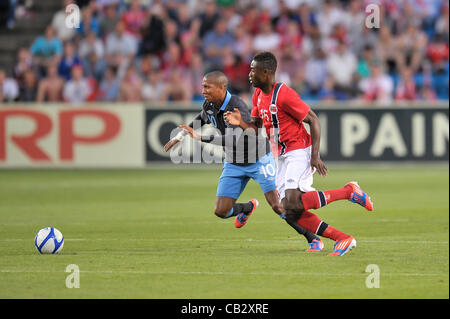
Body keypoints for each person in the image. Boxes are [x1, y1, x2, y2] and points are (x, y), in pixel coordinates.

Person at [224, 51, 374, 256]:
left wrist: (315, 155)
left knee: (293, 202)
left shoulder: (284, 94)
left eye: (253, 70)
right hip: (280, 155)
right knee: (286, 210)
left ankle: (348, 194)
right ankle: (342, 236)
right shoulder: (258, 94)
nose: (249, 73)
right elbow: (257, 127)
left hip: (299, 149)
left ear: (266, 73)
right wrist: (240, 122)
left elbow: (313, 119)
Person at [164, 71, 324, 252]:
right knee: (221, 211)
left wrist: (200, 138)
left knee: (278, 206)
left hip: (258, 159)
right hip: (233, 162)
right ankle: (247, 208)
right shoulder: (209, 104)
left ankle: (313, 238)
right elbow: (201, 117)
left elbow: (234, 139)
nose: (203, 90)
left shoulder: (236, 106)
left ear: (222, 88)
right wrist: (181, 135)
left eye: (207, 86)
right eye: (203, 86)